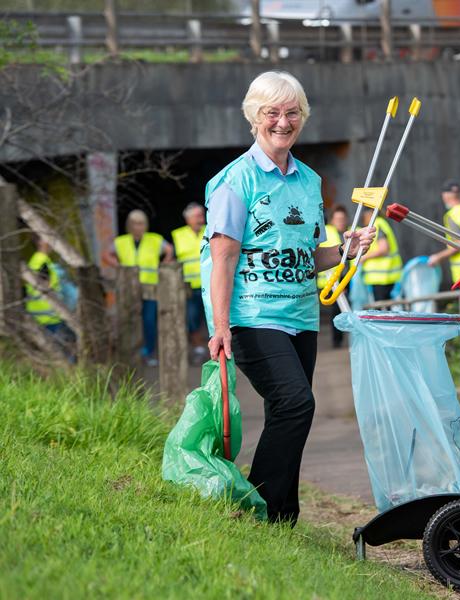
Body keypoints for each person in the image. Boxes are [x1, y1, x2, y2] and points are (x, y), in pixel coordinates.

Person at [201, 71, 375, 525]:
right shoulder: (234, 181)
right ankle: (261, 511)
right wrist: (220, 327)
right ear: (254, 117)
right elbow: (222, 258)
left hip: (301, 317)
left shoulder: (309, 181)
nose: (283, 121)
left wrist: (345, 250)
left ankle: (280, 519)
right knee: (297, 403)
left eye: (292, 112)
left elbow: (308, 256)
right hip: (253, 316)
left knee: (289, 411)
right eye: (272, 112)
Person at [107, 209, 174, 367]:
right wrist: (119, 267)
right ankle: (130, 353)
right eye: (135, 223)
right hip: (128, 288)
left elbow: (169, 249)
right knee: (129, 319)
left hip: (150, 287)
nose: (139, 227)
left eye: (142, 223)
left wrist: (163, 265)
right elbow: (106, 254)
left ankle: (148, 352)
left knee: (149, 321)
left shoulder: (154, 239)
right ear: (130, 225)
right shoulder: (121, 241)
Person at [25, 236, 76, 350]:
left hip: (46, 317)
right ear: (39, 242)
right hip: (50, 317)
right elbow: (47, 288)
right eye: (47, 238)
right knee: (66, 352)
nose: (51, 241)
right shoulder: (42, 262)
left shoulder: (40, 260)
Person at [171, 202, 208, 363]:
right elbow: (172, 258)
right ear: (188, 219)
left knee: (212, 318)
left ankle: (215, 350)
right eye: (197, 216)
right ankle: (198, 348)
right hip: (189, 286)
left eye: (202, 215)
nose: (201, 218)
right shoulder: (178, 235)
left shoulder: (211, 230)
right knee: (192, 318)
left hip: (210, 284)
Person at [316, 204, 348, 347]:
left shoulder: (345, 232)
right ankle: (337, 341)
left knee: (341, 311)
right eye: (338, 219)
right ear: (332, 220)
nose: (340, 221)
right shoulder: (328, 232)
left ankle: (340, 339)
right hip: (332, 279)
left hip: (343, 277)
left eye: (343, 219)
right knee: (336, 311)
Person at [359, 207, 402, 302]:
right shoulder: (382, 223)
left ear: (369, 214)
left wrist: (364, 257)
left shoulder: (377, 224)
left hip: (381, 278)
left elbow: (383, 248)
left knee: (381, 311)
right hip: (386, 276)